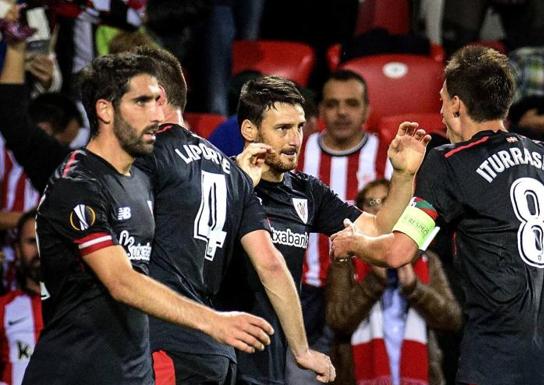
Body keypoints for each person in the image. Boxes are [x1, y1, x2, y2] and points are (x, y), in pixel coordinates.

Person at [0, 40, 335, 384]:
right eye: (142, 101)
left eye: (155, 100)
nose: (156, 114)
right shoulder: (81, 181)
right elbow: (122, 281)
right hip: (88, 365)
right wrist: (215, 322)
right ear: (106, 109)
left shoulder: (144, 175)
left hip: (148, 358)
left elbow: (268, 261)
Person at [330, 45, 544, 385]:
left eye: (441, 100)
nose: (440, 111)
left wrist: (355, 243)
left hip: (493, 364)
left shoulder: (449, 163)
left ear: (457, 104)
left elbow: (398, 252)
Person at [128, 46, 333, 385]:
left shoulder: (143, 156)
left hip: (161, 342)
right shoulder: (230, 170)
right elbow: (271, 264)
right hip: (212, 350)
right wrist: (302, 350)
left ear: (155, 97)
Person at [220, 75, 428, 385]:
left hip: (271, 358)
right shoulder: (218, 179)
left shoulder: (306, 191)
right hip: (221, 355)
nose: (294, 139)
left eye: (300, 127)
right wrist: (240, 187)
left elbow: (377, 229)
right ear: (249, 129)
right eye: (282, 128)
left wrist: (402, 176)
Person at [294, 70, 392, 381]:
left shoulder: (388, 156)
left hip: (365, 289)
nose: (342, 112)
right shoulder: (299, 151)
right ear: (321, 111)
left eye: (351, 103)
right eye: (333, 104)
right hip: (305, 288)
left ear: (367, 110)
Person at [325, 179, 462, 385]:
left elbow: (452, 319)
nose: (380, 207)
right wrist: (374, 281)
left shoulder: (426, 260)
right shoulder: (346, 259)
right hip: (356, 375)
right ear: (360, 211)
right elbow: (337, 321)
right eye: (372, 202)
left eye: (388, 200)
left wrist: (414, 288)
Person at [0, 210, 42, 385]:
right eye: (32, 241)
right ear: (17, 250)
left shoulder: (83, 308)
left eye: (45, 240)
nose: (40, 249)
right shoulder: (3, 308)